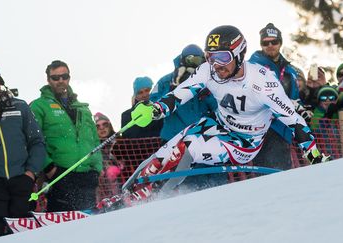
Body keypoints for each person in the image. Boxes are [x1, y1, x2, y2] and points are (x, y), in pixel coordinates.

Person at [100, 25, 329, 210]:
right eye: (210, 56)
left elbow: (293, 119)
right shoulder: (209, 70)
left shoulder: (262, 82)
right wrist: (155, 109)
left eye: (222, 56)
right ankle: (127, 194)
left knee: (186, 148)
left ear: (239, 54)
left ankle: (148, 197)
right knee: (166, 150)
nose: (216, 64)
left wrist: (314, 155)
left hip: (243, 142)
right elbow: (181, 93)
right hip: (217, 124)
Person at [0, 59, 45, 241]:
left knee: (21, 226)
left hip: (20, 177)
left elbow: (37, 141)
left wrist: (30, 172)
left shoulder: (19, 106)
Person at [30, 60, 102, 212]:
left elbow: (95, 139)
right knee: (63, 226)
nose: (61, 81)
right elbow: (34, 139)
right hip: (60, 173)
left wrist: (97, 167)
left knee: (89, 221)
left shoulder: (82, 107)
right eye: (55, 78)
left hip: (87, 174)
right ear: (48, 80)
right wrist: (49, 168)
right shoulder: (39, 106)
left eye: (64, 76)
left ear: (69, 77)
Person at [249, 23, 312, 170]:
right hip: (263, 128)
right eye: (265, 43)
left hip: (284, 129)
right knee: (270, 174)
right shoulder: (253, 66)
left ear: (280, 43)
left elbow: (294, 97)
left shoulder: (290, 70)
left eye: (274, 42)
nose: (270, 45)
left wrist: (300, 107)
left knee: (283, 172)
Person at [150, 44, 217, 143]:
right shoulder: (166, 81)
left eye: (197, 61)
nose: (193, 65)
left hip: (201, 137)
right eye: (190, 60)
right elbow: (153, 104)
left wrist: (206, 94)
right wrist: (173, 87)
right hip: (172, 138)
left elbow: (220, 107)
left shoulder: (210, 80)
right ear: (182, 60)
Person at [94, 112, 123, 201]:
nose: (101, 128)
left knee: (111, 172)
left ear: (109, 125)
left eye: (105, 124)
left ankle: (117, 198)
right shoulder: (94, 144)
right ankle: (99, 203)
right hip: (101, 173)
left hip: (119, 171)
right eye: (97, 126)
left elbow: (124, 159)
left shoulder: (119, 140)